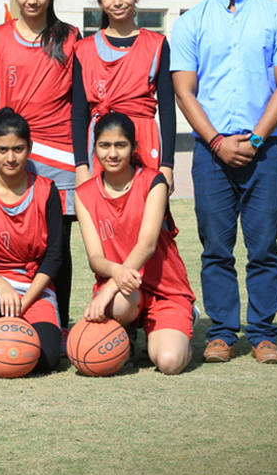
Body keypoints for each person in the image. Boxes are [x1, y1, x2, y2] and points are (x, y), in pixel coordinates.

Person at [171, 0, 277, 365]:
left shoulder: (276, 16)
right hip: (211, 155)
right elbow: (184, 91)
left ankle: (263, 334)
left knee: (264, 247)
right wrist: (217, 142)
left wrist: (256, 138)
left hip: (263, 153)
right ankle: (223, 333)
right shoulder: (190, 22)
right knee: (216, 249)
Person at [0, 0, 79, 345]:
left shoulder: (70, 38)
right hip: (10, 154)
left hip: (61, 157)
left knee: (58, 244)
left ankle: (60, 319)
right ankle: (7, 313)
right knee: (11, 240)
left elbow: (81, 100)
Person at [75, 113, 197, 375]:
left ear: (133, 147)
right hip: (126, 292)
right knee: (118, 304)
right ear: (94, 148)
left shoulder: (154, 182)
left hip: (165, 289)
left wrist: (107, 288)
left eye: (121, 145)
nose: (112, 153)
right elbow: (95, 258)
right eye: (104, 145)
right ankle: (126, 334)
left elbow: (147, 245)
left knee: (169, 363)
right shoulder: (84, 194)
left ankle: (183, 320)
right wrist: (116, 275)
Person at [0, 109, 63, 374]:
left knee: (46, 360)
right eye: (3, 149)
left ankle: (27, 329)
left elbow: (54, 257)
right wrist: (4, 287)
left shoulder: (46, 190)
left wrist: (26, 299)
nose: (10, 157)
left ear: (29, 148)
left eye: (18, 149)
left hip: (34, 288)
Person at [72, 0, 175, 191]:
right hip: (100, 143)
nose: (117, 2)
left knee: (147, 214)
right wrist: (80, 165)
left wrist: (167, 165)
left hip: (144, 140)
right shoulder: (84, 49)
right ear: (100, 2)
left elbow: (168, 109)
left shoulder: (156, 45)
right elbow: (78, 112)